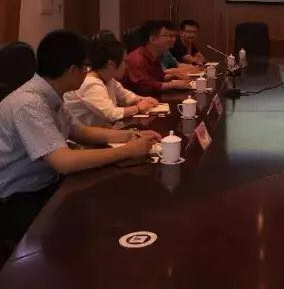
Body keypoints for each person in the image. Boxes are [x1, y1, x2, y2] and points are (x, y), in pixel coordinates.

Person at [0, 30, 160, 256]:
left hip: (45, 185)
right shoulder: (29, 103)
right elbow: (64, 162)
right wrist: (127, 151)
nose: (88, 72)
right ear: (72, 70)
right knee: (94, 227)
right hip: (17, 200)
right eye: (85, 67)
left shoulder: (51, 93)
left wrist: (129, 136)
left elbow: (79, 131)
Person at [64, 33, 159, 126]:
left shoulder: (108, 79)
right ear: (111, 64)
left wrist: (143, 99)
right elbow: (111, 114)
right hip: (83, 134)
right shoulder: (90, 83)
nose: (127, 66)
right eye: (124, 61)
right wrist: (138, 108)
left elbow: (125, 95)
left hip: (101, 130)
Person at [121, 20, 191, 95]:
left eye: (174, 36)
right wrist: (171, 85)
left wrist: (173, 76)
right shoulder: (137, 58)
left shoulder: (155, 56)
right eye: (168, 36)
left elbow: (156, 78)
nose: (173, 40)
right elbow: (141, 87)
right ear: (153, 39)